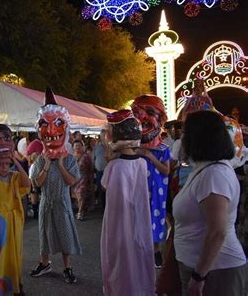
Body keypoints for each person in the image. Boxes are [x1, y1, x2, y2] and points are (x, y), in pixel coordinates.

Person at [173, 110, 246, 295]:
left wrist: (199, 276)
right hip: (205, 269)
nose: (181, 138)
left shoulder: (214, 175)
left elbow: (217, 232)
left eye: (185, 133)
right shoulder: (206, 169)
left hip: (215, 272)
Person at [29, 87, 82, 284]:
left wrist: (60, 165)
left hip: (63, 203)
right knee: (44, 235)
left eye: (58, 123)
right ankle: (45, 263)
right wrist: (47, 165)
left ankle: (67, 267)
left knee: (65, 235)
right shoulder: (40, 160)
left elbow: (72, 181)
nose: (51, 130)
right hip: (46, 202)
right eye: (45, 124)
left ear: (65, 127)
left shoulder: (69, 159)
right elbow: (37, 183)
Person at [100, 110, 155, 295]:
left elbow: (105, 186)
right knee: (138, 252)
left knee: (120, 257)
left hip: (118, 221)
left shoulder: (115, 166)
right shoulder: (141, 162)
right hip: (138, 216)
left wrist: (109, 158)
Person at [0, 124, 31, 295]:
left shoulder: (15, 177)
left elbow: (28, 184)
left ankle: (15, 285)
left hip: (13, 222)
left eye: (6, 164)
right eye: (0, 165)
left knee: (13, 255)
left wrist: (15, 160)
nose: (3, 167)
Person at [132, 95, 171, 269]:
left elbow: (166, 170)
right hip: (137, 190)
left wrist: (149, 156)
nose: (142, 117)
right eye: (136, 113)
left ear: (160, 119)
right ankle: (139, 250)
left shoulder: (163, 149)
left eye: (150, 112)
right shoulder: (132, 148)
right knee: (137, 218)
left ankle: (156, 251)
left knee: (155, 218)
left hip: (157, 190)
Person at [72, 140, 94, 220]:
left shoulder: (86, 156)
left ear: (82, 147)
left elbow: (90, 167)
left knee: (81, 194)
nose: (77, 147)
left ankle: (80, 212)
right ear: (73, 147)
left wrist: (90, 178)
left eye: (79, 145)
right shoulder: (71, 157)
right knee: (76, 196)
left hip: (83, 178)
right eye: (76, 145)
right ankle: (82, 208)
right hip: (73, 179)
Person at [93, 130, 109, 209]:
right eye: (102, 135)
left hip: (108, 172)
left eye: (104, 135)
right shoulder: (97, 147)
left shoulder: (111, 146)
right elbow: (94, 158)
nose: (103, 137)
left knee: (107, 190)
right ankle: (103, 207)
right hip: (99, 171)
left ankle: (107, 207)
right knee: (100, 189)